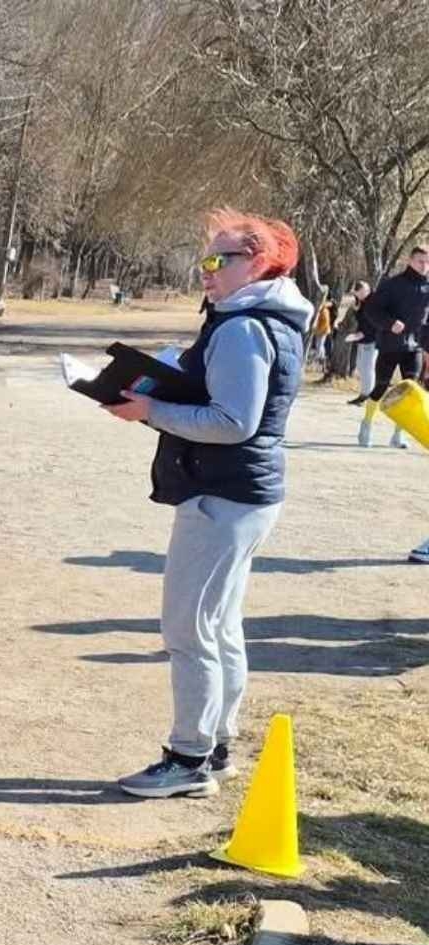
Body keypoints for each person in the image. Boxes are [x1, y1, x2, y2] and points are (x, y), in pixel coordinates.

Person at [101, 213, 309, 798]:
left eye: (220, 262)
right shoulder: (260, 320)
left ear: (260, 265)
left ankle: (189, 757)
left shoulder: (245, 328)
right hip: (241, 491)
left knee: (188, 626)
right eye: (206, 262)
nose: (208, 273)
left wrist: (152, 412)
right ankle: (213, 746)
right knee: (218, 623)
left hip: (224, 493)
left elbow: (234, 422)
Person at [358, 246, 429, 449]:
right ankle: (367, 425)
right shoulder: (393, 285)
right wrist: (390, 324)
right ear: (410, 261)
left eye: (427, 262)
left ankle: (398, 435)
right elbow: (371, 309)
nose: (424, 266)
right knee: (381, 387)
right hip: (390, 345)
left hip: (414, 347)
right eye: (420, 261)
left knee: (411, 392)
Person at [343, 279, 375, 407]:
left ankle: (367, 396)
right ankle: (364, 394)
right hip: (362, 338)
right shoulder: (361, 302)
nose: (357, 296)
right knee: (361, 366)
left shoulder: (373, 302)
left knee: (367, 368)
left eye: (358, 293)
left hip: (371, 339)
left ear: (364, 290)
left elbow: (373, 323)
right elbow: (361, 319)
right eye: (355, 294)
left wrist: (361, 334)